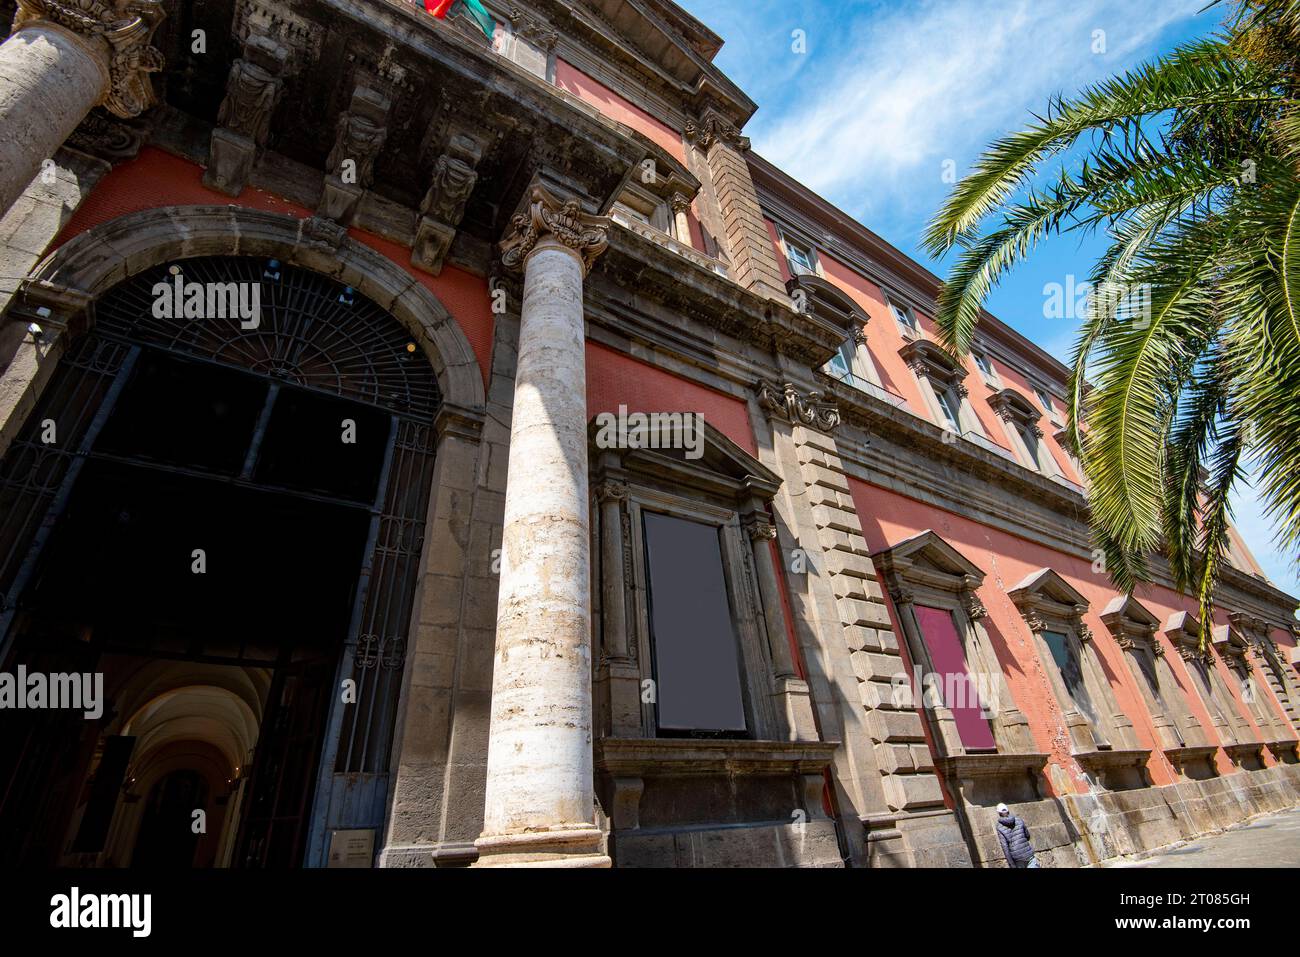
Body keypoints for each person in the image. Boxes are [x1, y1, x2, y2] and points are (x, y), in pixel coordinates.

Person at [995, 802, 1039, 868]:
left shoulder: (999, 827)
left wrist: (1011, 865)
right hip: (1028, 854)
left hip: (1017, 858)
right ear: (1008, 810)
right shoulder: (1018, 820)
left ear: (999, 813)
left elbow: (1005, 848)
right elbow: (1027, 835)